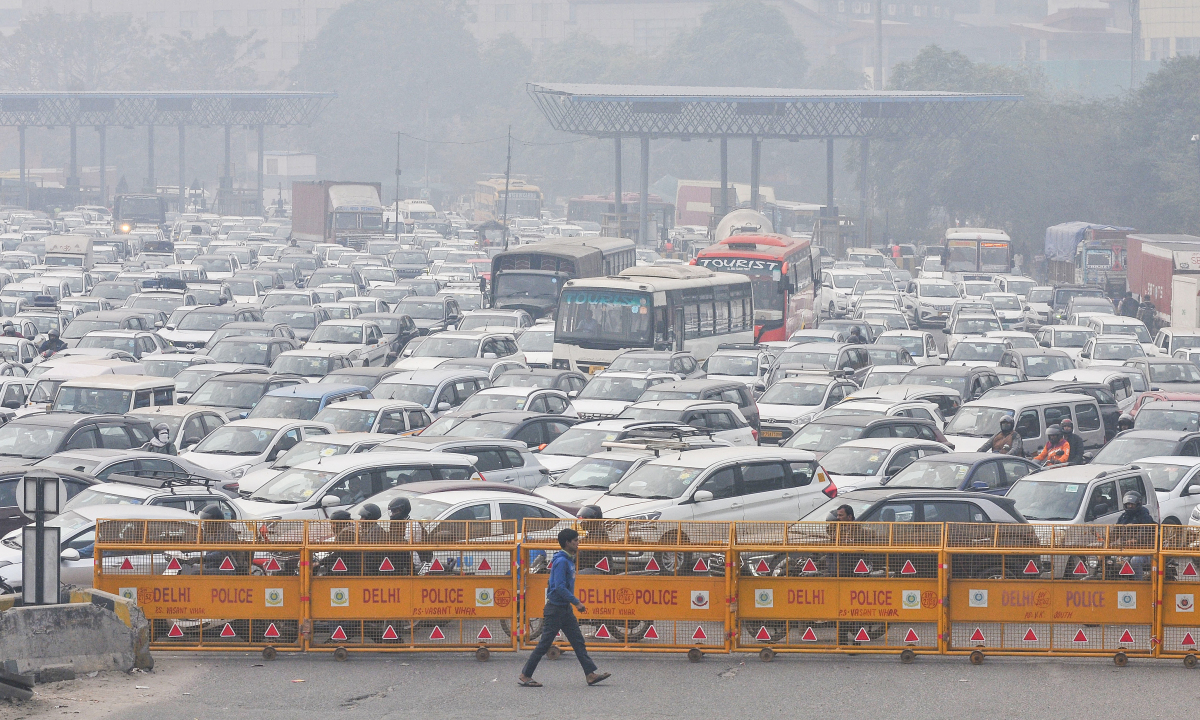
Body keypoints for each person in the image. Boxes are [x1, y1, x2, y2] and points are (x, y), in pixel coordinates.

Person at [518, 528, 610, 688]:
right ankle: (525, 675)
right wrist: (577, 602)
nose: (578, 543)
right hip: (555, 609)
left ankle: (590, 674)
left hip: (564, 609)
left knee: (578, 641)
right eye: (575, 541)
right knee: (544, 644)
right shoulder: (561, 562)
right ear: (567, 543)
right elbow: (559, 587)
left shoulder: (567, 560)